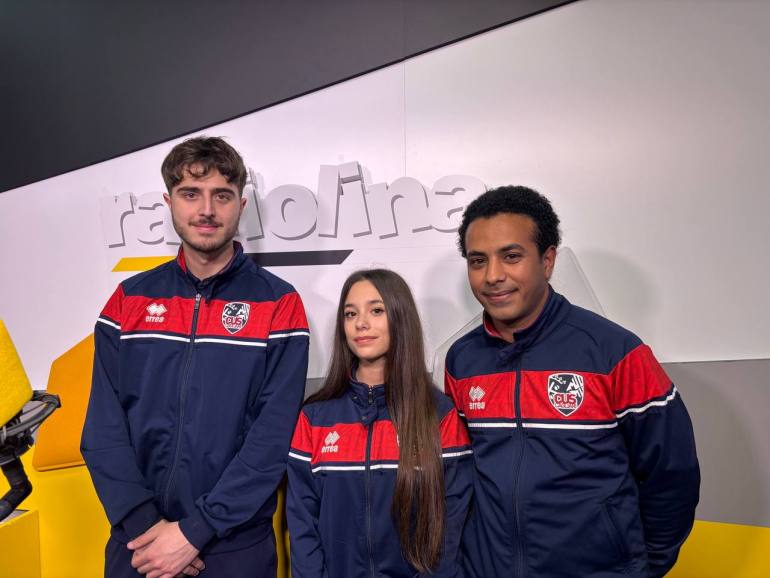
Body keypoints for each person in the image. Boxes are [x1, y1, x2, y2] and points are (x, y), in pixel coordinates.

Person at [82, 136, 309, 578]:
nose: (206, 210)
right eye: (191, 194)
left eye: (221, 195)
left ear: (241, 205)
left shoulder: (279, 304)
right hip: (139, 546)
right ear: (169, 202)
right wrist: (147, 528)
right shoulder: (128, 301)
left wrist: (194, 532)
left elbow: (271, 439)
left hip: (233, 545)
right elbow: (102, 431)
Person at [444, 186, 700, 578]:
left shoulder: (616, 353)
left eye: (511, 256)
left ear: (547, 260)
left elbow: (671, 475)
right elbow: (458, 478)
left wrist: (640, 567)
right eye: (478, 261)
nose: (493, 275)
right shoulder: (462, 361)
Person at [286, 269, 473, 577]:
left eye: (376, 310)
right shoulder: (315, 418)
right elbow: (302, 521)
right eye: (350, 313)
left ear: (400, 317)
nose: (361, 323)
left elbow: (452, 521)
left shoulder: (439, 415)